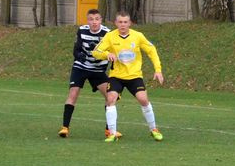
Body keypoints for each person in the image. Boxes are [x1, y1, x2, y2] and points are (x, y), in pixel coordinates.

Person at [91, 11, 164, 142]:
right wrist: (106, 54)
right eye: (120, 22)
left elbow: (151, 51)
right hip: (116, 76)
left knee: (143, 99)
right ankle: (112, 133)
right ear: (116, 23)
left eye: (125, 22)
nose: (123, 24)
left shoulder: (138, 36)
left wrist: (158, 70)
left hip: (134, 76)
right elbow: (96, 52)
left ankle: (154, 129)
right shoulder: (110, 36)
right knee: (111, 99)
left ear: (130, 23)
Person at [58, 9, 111, 138]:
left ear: (101, 20)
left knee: (110, 97)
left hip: (98, 70)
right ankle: (65, 128)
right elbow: (76, 50)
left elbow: (111, 52)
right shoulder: (82, 30)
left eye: (97, 19)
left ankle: (109, 130)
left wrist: (99, 52)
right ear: (87, 21)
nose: (94, 22)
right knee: (73, 93)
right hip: (81, 67)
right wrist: (79, 55)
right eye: (91, 19)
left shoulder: (108, 33)